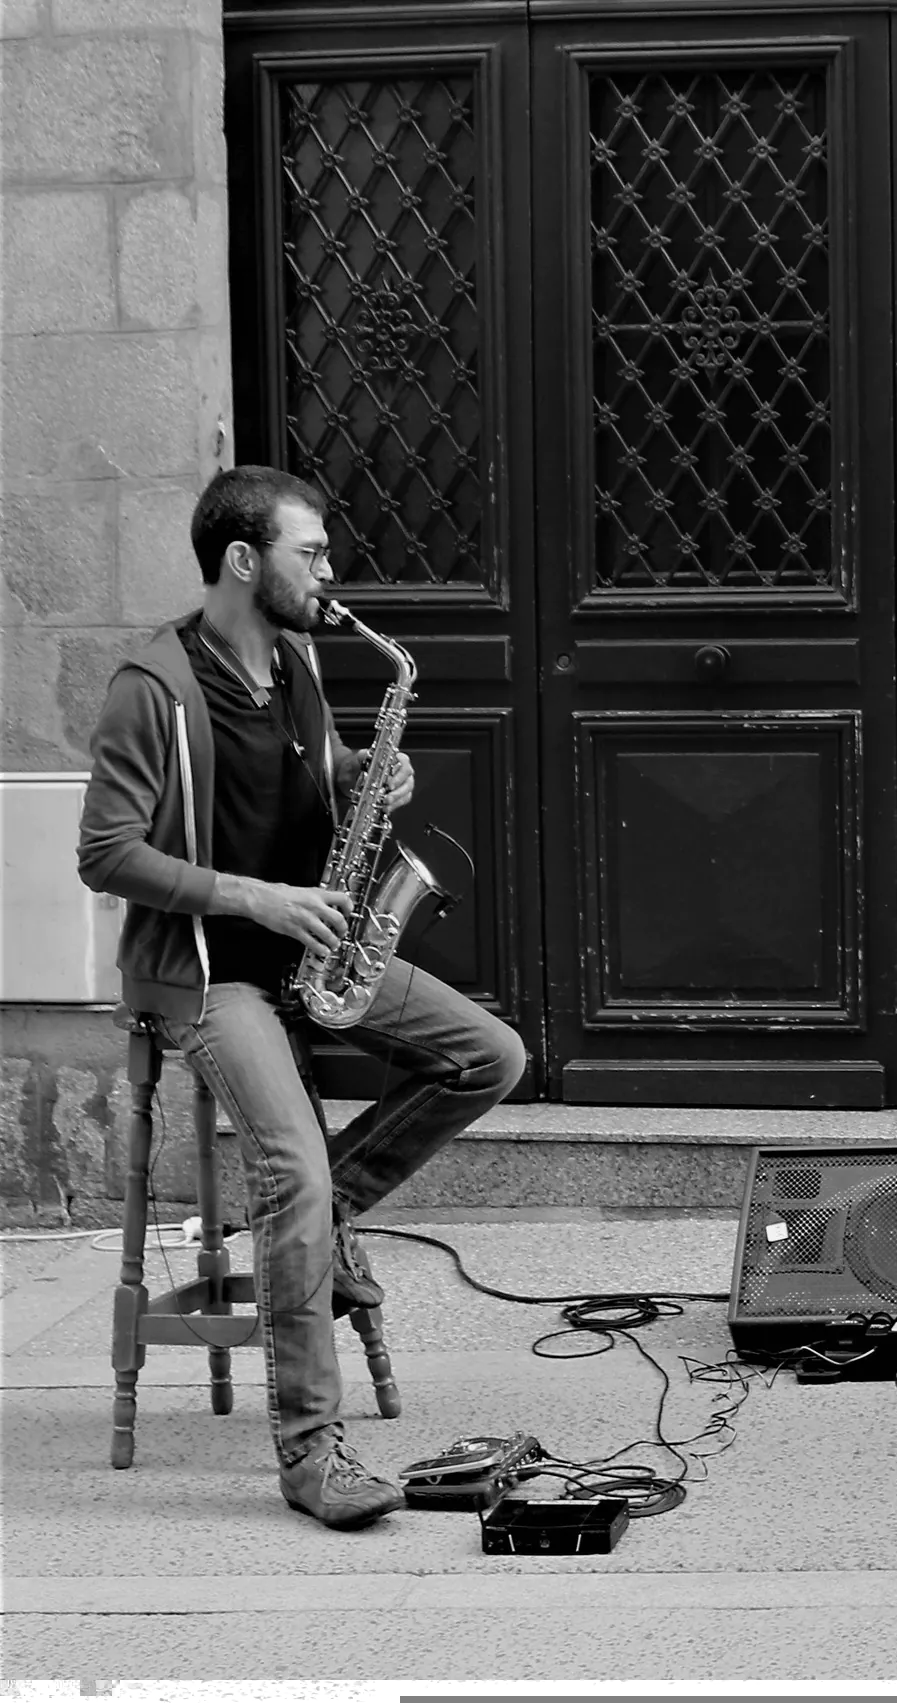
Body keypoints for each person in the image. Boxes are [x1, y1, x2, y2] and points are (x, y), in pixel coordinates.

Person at [78, 465, 527, 1527]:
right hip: (207, 967)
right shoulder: (152, 684)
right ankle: (310, 1453)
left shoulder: (297, 659)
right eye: (310, 553)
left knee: (489, 1055)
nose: (330, 572)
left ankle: (319, 1233)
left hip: (315, 947)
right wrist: (262, 900)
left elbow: (300, 768)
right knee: (290, 1168)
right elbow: (106, 851)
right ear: (243, 559)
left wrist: (361, 764)